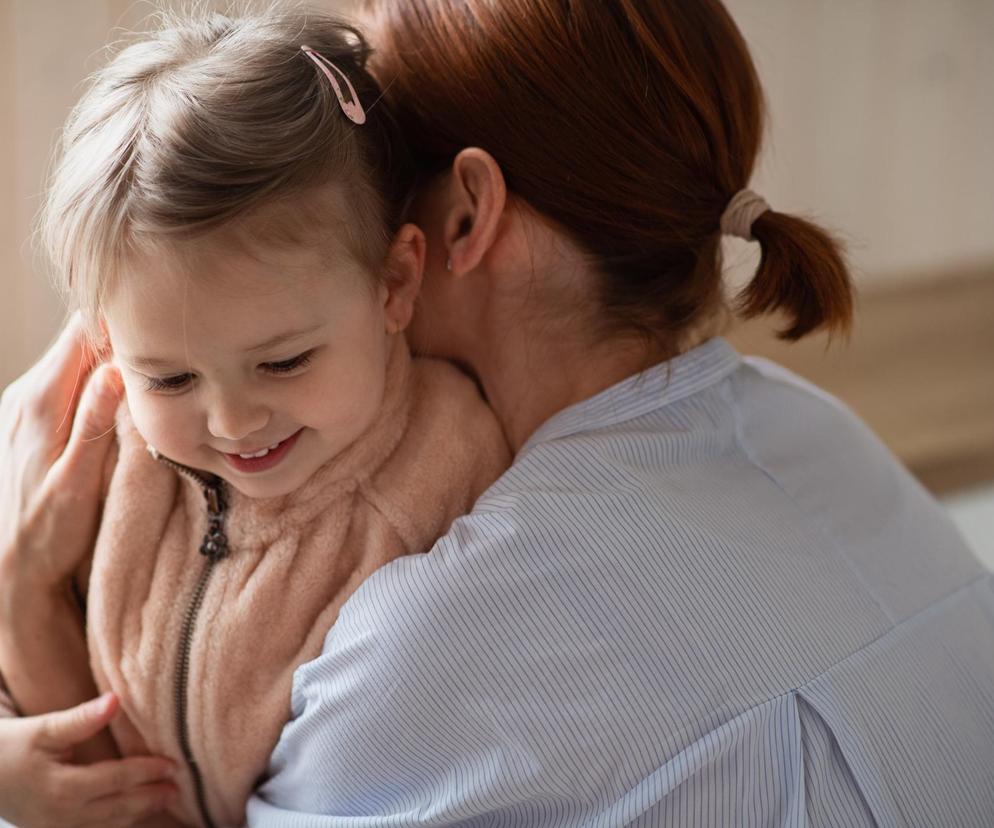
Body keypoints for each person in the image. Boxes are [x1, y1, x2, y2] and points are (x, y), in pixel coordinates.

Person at [3, 0, 993, 825]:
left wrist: (27, 618)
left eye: (381, 174)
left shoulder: (444, 640)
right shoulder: (820, 437)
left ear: (458, 220)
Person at [0, 8, 509, 828]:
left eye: (284, 362)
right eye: (169, 376)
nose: (232, 423)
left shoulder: (448, 479)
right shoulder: (91, 435)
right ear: (102, 340)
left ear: (394, 284)